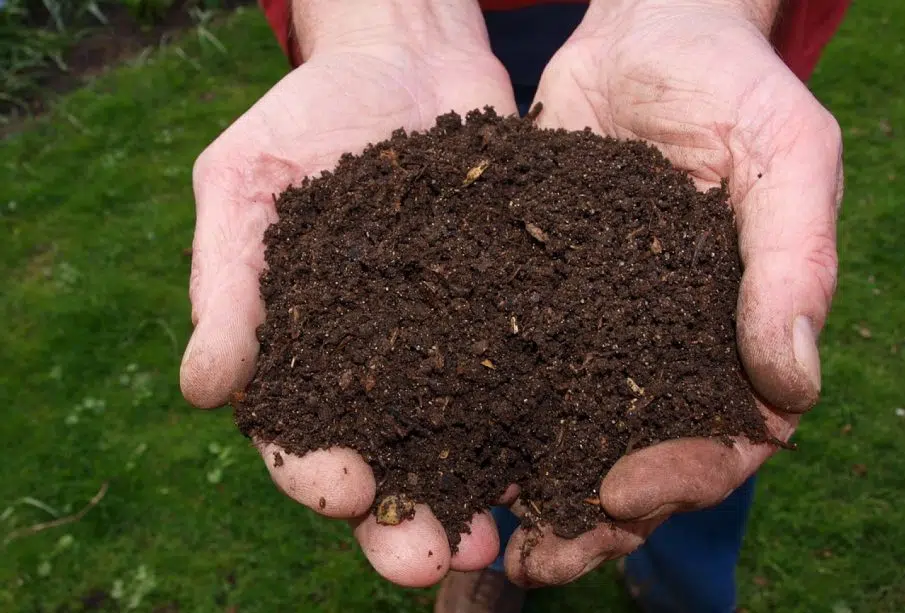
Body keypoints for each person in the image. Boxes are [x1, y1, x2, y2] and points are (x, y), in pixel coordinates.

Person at [179, 1, 849, 611]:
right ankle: (486, 541)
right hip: (435, 38)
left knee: (694, 443)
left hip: (665, 39)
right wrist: (379, 19)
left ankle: (682, 586)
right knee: (475, 441)